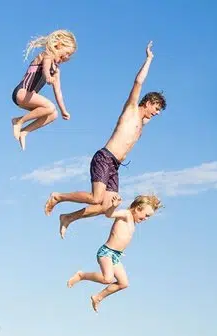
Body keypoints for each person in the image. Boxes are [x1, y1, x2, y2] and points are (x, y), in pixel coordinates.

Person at [44, 41, 165, 238]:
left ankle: (67, 218)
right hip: (105, 157)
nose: (157, 113)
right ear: (149, 103)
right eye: (156, 109)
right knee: (95, 198)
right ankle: (58, 196)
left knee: (106, 207)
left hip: (115, 166)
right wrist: (149, 59)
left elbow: (146, 120)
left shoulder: (142, 123)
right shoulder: (132, 110)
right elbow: (138, 83)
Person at [66, 195, 162, 312]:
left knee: (123, 283)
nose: (146, 219)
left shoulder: (133, 222)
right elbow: (109, 214)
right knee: (108, 279)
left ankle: (97, 297)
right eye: (146, 215)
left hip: (115, 256)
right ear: (137, 209)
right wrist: (114, 206)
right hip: (107, 252)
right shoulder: (126, 214)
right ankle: (81, 275)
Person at [11, 29, 76, 151]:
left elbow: (58, 92)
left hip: (29, 97)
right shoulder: (47, 55)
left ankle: (25, 131)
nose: (67, 57)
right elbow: (46, 68)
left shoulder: (56, 71)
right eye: (67, 53)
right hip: (21, 93)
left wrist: (63, 110)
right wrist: (47, 77)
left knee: (53, 114)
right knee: (50, 107)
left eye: (69, 56)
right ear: (59, 45)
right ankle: (19, 121)